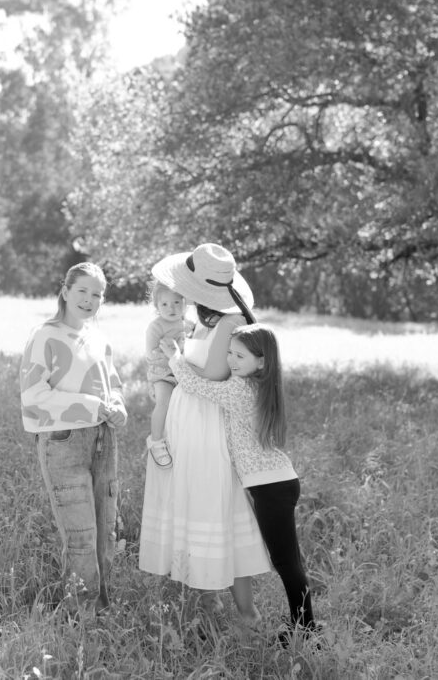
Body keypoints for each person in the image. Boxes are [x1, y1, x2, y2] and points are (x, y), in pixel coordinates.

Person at [138, 243, 269, 626]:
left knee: (219, 507)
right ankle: (207, 600)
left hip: (206, 422)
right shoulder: (201, 320)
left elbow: (211, 375)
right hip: (184, 418)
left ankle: (247, 614)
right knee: (193, 506)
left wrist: (174, 358)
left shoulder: (228, 322)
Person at [159, 323, 317, 644]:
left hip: (271, 487)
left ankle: (306, 630)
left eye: (240, 356)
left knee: (286, 563)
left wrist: (175, 357)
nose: (231, 360)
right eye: (229, 352)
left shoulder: (240, 390)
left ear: (261, 362)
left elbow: (194, 385)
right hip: (277, 482)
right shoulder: (256, 385)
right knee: (290, 560)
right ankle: (303, 626)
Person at [20, 262, 128, 613]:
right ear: (65, 291)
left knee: (105, 534)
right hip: (63, 443)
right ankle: (82, 617)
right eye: (82, 290)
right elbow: (33, 395)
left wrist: (118, 408)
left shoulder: (99, 339)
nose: (90, 299)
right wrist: (90, 405)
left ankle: (102, 609)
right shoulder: (45, 335)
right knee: (80, 538)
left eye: (97, 294)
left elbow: (115, 388)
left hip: (104, 441)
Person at [143, 281, 195, 469]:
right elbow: (150, 354)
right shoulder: (156, 327)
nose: (171, 308)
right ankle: (156, 441)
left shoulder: (189, 325)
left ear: (184, 303)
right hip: (162, 373)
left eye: (176, 302)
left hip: (184, 371)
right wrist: (169, 351)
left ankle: (183, 439)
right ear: (156, 306)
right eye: (164, 304)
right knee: (163, 402)